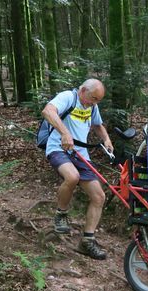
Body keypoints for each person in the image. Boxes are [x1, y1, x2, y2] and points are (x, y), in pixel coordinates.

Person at [42, 79, 113, 260]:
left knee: (99, 196)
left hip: (81, 153)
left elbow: (97, 125)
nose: (94, 103)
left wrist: (106, 139)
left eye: (97, 100)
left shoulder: (92, 106)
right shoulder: (68, 97)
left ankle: (87, 240)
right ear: (82, 90)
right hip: (59, 148)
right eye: (92, 98)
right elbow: (48, 111)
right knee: (72, 177)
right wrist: (65, 133)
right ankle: (61, 214)